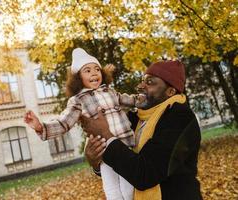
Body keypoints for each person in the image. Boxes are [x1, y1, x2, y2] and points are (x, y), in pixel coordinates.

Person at [24, 48, 143, 200]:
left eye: (97, 69)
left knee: (128, 191)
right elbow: (64, 122)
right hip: (103, 152)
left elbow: (131, 100)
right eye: (87, 70)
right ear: (78, 78)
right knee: (112, 193)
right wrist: (41, 127)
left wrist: (144, 99)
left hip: (125, 146)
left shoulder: (111, 92)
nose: (94, 73)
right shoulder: (78, 100)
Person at [83, 60, 202, 200]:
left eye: (150, 82)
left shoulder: (180, 117)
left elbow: (145, 174)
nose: (140, 86)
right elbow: (125, 165)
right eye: (142, 81)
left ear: (170, 91)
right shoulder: (135, 118)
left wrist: (106, 134)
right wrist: (96, 162)